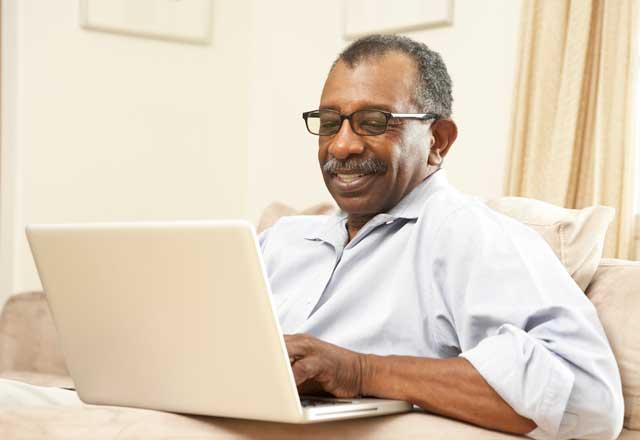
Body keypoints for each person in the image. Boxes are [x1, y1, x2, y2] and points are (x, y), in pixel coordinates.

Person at [258, 34, 623, 440]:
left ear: (438, 140)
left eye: (374, 121)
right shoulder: (281, 241)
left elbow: (589, 400)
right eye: (329, 123)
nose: (342, 145)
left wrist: (361, 370)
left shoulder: (473, 237)